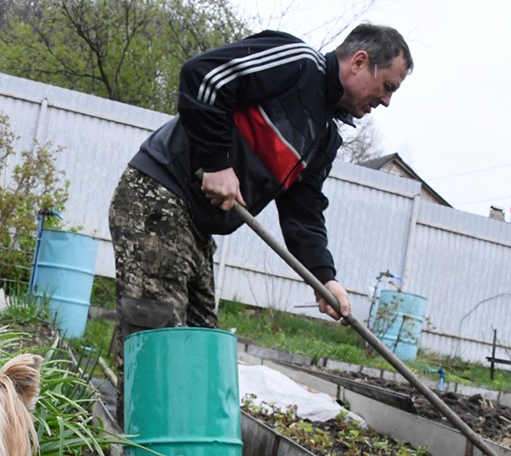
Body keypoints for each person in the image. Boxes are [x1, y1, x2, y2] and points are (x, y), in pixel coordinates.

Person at [108, 23, 412, 416]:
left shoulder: (324, 137)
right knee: (157, 337)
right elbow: (203, 76)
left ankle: (179, 453)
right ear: (359, 62)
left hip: (195, 226)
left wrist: (324, 276)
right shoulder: (296, 65)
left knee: (200, 345)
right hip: (160, 196)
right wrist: (217, 163)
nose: (386, 101)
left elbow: (304, 212)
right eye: (388, 86)